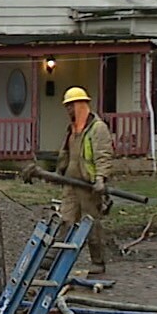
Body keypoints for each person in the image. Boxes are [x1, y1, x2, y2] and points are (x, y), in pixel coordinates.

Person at [54, 86, 113, 275]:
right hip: (71, 184)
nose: (69, 110)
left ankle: (98, 261)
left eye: (71, 106)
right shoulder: (72, 129)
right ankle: (58, 260)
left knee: (91, 224)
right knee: (65, 220)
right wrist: (58, 172)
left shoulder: (98, 128)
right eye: (67, 106)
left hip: (88, 186)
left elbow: (103, 155)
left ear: (80, 105)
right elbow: (66, 153)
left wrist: (100, 179)